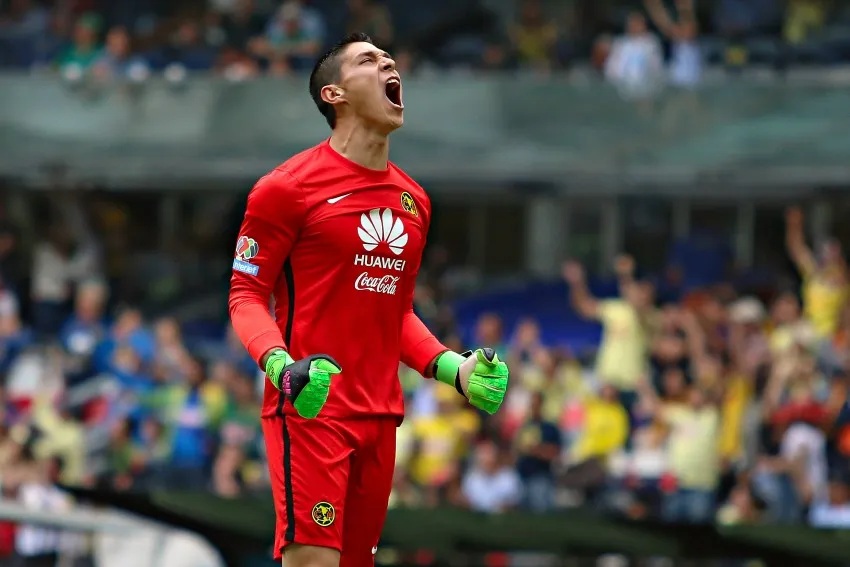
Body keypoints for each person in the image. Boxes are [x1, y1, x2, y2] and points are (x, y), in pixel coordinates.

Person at [228, 32, 509, 567]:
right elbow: (245, 294)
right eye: (368, 60)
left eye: (388, 59)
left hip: (381, 416)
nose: (388, 63)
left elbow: (395, 312)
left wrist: (455, 369)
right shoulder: (285, 188)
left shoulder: (414, 201)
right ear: (334, 95)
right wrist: (282, 367)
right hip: (313, 408)